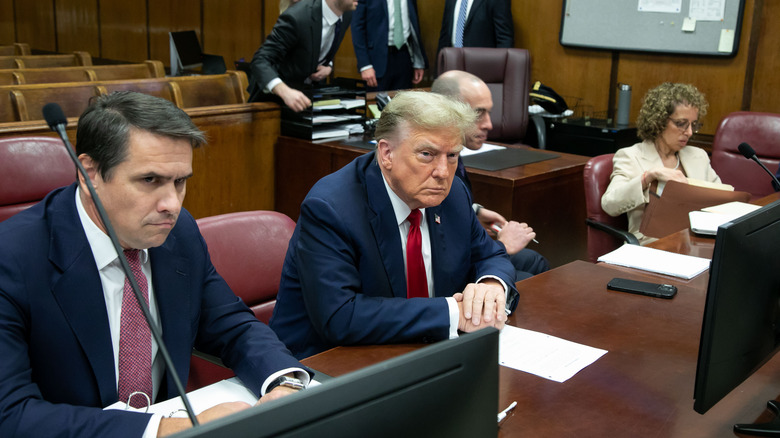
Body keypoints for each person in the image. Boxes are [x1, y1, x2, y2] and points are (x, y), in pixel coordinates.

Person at [0, 91, 310, 438]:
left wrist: (285, 383)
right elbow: (10, 415)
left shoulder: (180, 234)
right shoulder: (12, 259)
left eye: (180, 182)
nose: (171, 204)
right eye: (150, 180)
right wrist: (162, 430)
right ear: (90, 174)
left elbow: (232, 326)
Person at [270, 91, 519, 359]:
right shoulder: (331, 208)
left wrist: (492, 285)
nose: (443, 172)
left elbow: (491, 254)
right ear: (387, 153)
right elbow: (340, 316)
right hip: (329, 364)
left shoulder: (453, 194)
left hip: (425, 354)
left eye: (452, 155)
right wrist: (452, 314)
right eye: (427, 154)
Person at [431, 70, 549, 280]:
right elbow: (439, 249)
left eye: (489, 113)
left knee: (534, 261)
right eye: (478, 114)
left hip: (460, 249)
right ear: (446, 111)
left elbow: (445, 208)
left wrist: (475, 211)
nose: (489, 124)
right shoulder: (432, 163)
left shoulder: (454, 153)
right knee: (524, 279)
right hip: (444, 272)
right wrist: (503, 246)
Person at [601, 82, 721, 244]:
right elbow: (610, 204)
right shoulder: (631, 156)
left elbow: (720, 200)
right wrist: (647, 177)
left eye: (694, 125)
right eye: (681, 124)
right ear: (659, 121)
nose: (689, 132)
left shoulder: (698, 156)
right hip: (653, 245)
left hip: (696, 241)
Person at [247, 0, 357, 111]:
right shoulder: (297, 17)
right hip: (275, 102)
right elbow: (260, 60)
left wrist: (329, 66)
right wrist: (284, 90)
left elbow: (319, 45)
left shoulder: (346, 14)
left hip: (308, 98)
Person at [351, 0, 427, 92]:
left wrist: (418, 62)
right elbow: (357, 28)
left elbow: (414, 22)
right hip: (376, 61)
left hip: (404, 57)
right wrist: (365, 65)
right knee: (376, 104)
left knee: (402, 103)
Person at [436, 0, 514, 56]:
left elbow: (504, 39)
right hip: (451, 65)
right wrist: (438, 74)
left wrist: (499, 73)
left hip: (481, 68)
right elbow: (444, 36)